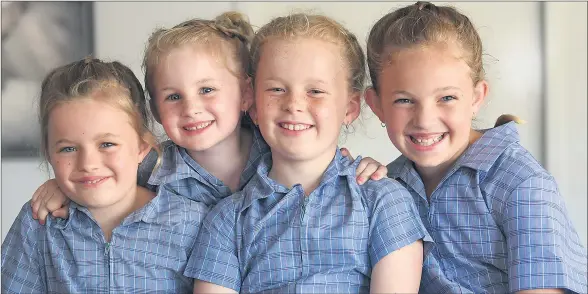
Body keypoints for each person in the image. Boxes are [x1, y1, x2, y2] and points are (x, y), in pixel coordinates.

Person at [187, 13, 430, 293]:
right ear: (252, 103)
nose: (294, 104)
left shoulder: (383, 200)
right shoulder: (228, 219)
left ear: (350, 108)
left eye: (315, 91)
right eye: (277, 89)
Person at [364, 2, 588, 293]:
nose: (425, 119)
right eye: (404, 100)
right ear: (376, 105)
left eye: (446, 98)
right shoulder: (386, 185)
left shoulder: (520, 181)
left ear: (476, 97)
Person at [1, 57, 203, 293]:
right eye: (68, 149)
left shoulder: (190, 222)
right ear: (48, 153)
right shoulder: (38, 223)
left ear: (141, 148)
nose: (88, 164)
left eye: (107, 144)